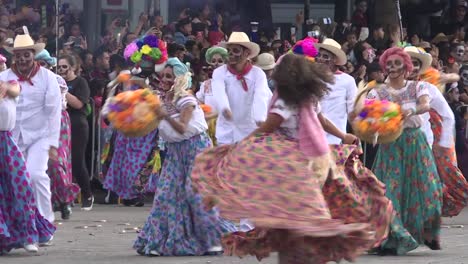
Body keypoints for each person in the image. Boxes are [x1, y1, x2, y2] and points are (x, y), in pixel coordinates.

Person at [191, 54, 376, 263]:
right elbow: (320, 120)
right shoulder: (308, 98)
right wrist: (344, 136)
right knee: (300, 217)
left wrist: (240, 147)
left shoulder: (286, 100)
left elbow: (268, 127)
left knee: (291, 219)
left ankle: (300, 247)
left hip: (288, 161)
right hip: (311, 158)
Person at [134, 57, 235, 256]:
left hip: (196, 149)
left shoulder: (186, 99)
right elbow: (143, 92)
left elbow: (181, 128)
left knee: (195, 195)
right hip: (175, 151)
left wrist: (162, 115)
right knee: (165, 194)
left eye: (169, 77)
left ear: (179, 79)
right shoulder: (163, 98)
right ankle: (157, 241)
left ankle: (214, 239)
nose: (164, 80)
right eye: (162, 76)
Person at [365, 47, 443, 255]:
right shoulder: (377, 91)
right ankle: (396, 235)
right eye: (388, 64)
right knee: (389, 190)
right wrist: (373, 129)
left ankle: (423, 232)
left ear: (406, 67)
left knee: (427, 190)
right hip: (390, 145)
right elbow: (370, 115)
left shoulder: (418, 87)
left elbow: (425, 105)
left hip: (415, 142)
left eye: (397, 63)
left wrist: (412, 109)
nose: (392, 68)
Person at [1, 30, 61, 224]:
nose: (23, 59)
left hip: (40, 137)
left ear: (33, 55)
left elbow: (54, 112)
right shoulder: (4, 77)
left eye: (26, 54)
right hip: (12, 138)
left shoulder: (48, 78)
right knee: (13, 181)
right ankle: (20, 224)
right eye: (18, 55)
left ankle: (45, 221)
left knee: (35, 175)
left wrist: (53, 143)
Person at [405, 46, 468, 217]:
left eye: (415, 62)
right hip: (398, 143)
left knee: (441, 169)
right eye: (408, 61)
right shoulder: (391, 86)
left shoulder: (428, 83)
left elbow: (446, 114)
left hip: (430, 131)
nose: (411, 66)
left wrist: (446, 76)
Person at [0, 80, 55, 254]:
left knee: (21, 188)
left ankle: (28, 236)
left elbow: (15, 89)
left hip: (7, 146)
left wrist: (5, 88)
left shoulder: (10, 84)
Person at [36, 49, 80, 219]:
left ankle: (65, 200)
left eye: (44, 64)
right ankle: (48, 201)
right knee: (39, 166)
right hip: (37, 124)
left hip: (58, 123)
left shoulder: (56, 80)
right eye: (38, 64)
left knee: (56, 162)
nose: (41, 67)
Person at [212, 31, 272, 145]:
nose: (231, 54)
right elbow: (219, 93)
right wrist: (224, 108)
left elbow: (261, 97)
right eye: (228, 51)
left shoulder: (257, 74)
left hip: (250, 131)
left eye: (236, 50)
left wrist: (260, 119)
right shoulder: (219, 73)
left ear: (246, 53)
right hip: (226, 132)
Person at [58, 54, 94, 210]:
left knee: (77, 161)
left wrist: (63, 91)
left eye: (64, 66)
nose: (61, 70)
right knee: (60, 163)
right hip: (59, 125)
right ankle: (65, 198)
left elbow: (79, 104)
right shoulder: (55, 82)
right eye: (58, 67)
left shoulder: (81, 82)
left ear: (72, 67)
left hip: (77, 125)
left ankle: (87, 194)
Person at [315, 38, 358, 145]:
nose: (320, 59)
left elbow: (353, 110)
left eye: (325, 56)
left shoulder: (347, 80)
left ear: (335, 59)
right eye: (319, 55)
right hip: (311, 135)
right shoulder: (311, 78)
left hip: (335, 138)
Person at [195, 46, 228, 145]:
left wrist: (214, 116)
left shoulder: (231, 83)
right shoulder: (206, 84)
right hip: (208, 129)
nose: (216, 63)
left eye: (220, 61)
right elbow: (199, 101)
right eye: (213, 61)